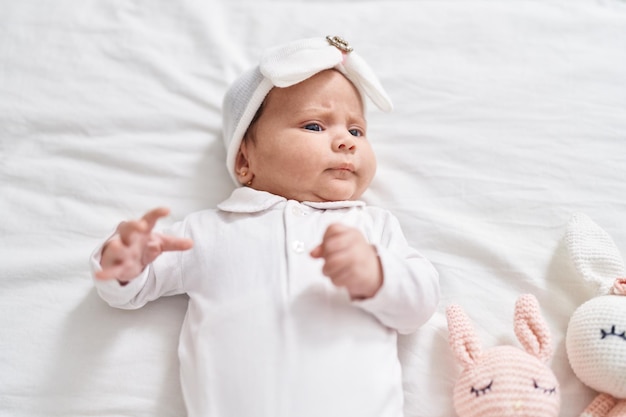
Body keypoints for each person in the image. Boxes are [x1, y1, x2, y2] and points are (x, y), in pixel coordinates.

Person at [91, 35, 440, 417]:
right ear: (245, 160)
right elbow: (125, 292)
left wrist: (377, 275)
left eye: (357, 130)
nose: (346, 142)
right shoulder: (207, 231)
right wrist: (124, 262)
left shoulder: (372, 226)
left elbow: (419, 306)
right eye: (314, 126)